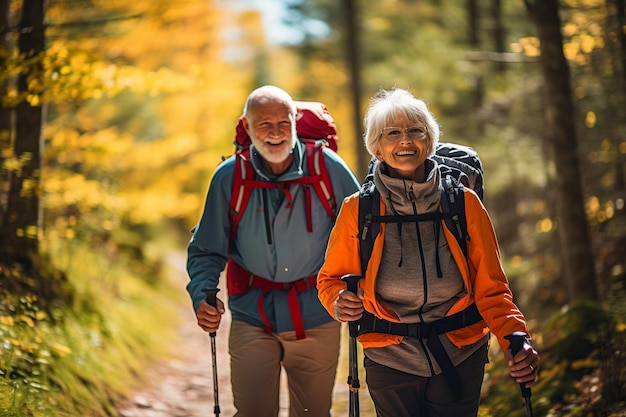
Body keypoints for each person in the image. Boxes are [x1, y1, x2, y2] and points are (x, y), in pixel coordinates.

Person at [317, 87, 539, 417]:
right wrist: (339, 301)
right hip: (388, 354)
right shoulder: (359, 209)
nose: (405, 141)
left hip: (461, 349)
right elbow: (330, 280)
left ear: (429, 140)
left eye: (415, 131)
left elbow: (492, 288)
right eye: (392, 133)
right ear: (377, 147)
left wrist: (514, 337)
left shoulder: (463, 203)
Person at [186, 85, 360, 417]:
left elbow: (365, 235)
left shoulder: (326, 168)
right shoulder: (229, 177)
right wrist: (201, 293)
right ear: (247, 125)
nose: (276, 133)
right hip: (252, 314)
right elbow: (207, 248)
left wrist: (357, 288)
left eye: (284, 123)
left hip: (318, 312)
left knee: (312, 413)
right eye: (265, 123)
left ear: (295, 121)